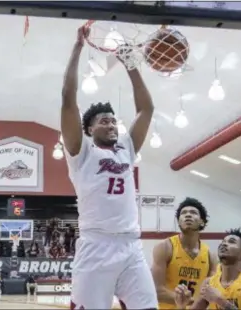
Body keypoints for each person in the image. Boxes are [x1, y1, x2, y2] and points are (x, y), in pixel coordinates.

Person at [61, 26, 156, 309]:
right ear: (89, 128)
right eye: (103, 120)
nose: (111, 124)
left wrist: (130, 64)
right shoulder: (81, 151)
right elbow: (68, 97)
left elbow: (146, 109)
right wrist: (78, 47)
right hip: (96, 247)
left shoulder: (126, 147)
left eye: (113, 120)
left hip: (131, 246)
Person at [177, 229, 241, 309]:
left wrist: (221, 301)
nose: (224, 244)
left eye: (231, 242)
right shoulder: (209, 283)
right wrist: (181, 306)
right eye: (223, 242)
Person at [152, 197, 218, 309]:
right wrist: (187, 300)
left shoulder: (210, 255)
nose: (188, 215)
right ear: (178, 221)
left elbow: (211, 290)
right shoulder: (165, 247)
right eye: (183, 213)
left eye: (193, 212)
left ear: (202, 221)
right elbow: (157, 291)